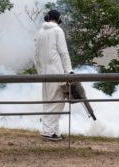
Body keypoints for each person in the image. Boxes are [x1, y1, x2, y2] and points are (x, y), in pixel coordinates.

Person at [34, 9, 73, 141]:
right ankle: (48, 131)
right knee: (58, 100)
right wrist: (69, 72)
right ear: (58, 19)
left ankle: (54, 131)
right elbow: (63, 52)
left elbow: (36, 56)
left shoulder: (40, 32)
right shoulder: (57, 30)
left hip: (44, 72)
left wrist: (40, 73)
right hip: (56, 71)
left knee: (47, 101)